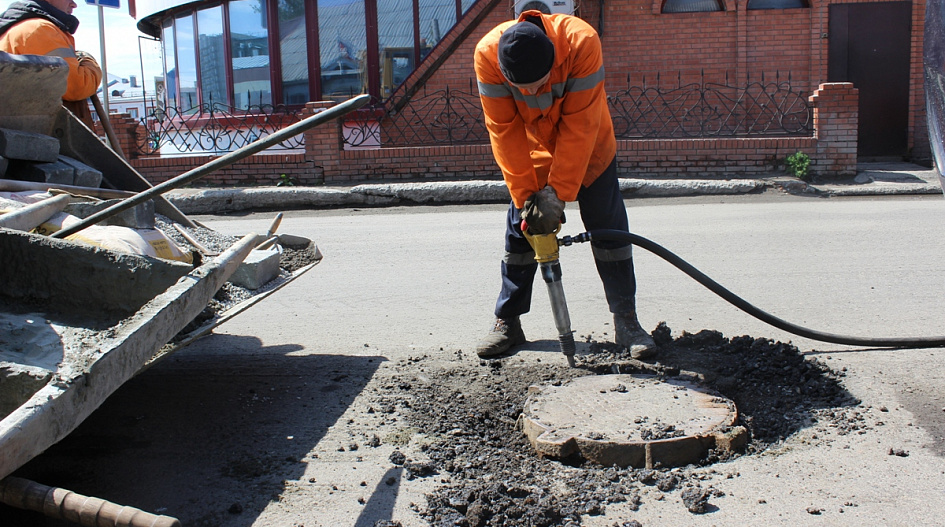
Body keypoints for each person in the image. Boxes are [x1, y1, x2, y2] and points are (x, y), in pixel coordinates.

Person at [473, 10, 656, 360]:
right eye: (522, 88)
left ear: (553, 61)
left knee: (609, 228)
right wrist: (527, 199)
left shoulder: (581, 43)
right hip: (535, 151)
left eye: (538, 83)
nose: (530, 92)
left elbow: (580, 126)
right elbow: (504, 133)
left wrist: (556, 196)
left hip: (591, 148)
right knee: (521, 230)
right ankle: (508, 321)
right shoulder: (487, 55)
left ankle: (627, 321)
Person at [0, 0, 102, 128]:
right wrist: (88, 60)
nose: (73, 4)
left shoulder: (15, 29)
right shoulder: (40, 29)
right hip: (39, 134)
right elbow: (77, 86)